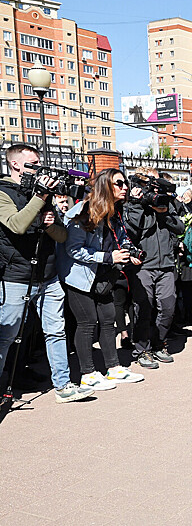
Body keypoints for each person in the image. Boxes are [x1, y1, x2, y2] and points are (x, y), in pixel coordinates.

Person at [0, 144, 94, 403]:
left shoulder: (44, 195)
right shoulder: (2, 192)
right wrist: (40, 198)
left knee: (56, 330)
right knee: (6, 335)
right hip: (16, 276)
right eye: (33, 164)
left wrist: (50, 224)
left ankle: (63, 386)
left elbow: (62, 236)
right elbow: (17, 226)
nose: (39, 169)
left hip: (48, 275)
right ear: (16, 164)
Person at [58, 168, 145, 390]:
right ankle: (87, 373)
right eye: (119, 183)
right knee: (87, 323)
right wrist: (108, 256)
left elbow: (121, 238)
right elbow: (73, 250)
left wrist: (129, 252)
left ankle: (113, 368)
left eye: (125, 183)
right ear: (106, 186)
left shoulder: (115, 211)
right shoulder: (83, 211)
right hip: (79, 276)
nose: (125, 187)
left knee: (108, 320)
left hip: (104, 274)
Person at [123, 170, 185, 368]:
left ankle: (159, 344)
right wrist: (137, 205)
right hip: (144, 265)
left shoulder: (166, 203)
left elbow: (180, 227)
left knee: (168, 308)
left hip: (166, 264)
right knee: (144, 308)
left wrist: (164, 213)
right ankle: (142, 349)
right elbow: (132, 230)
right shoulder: (132, 204)